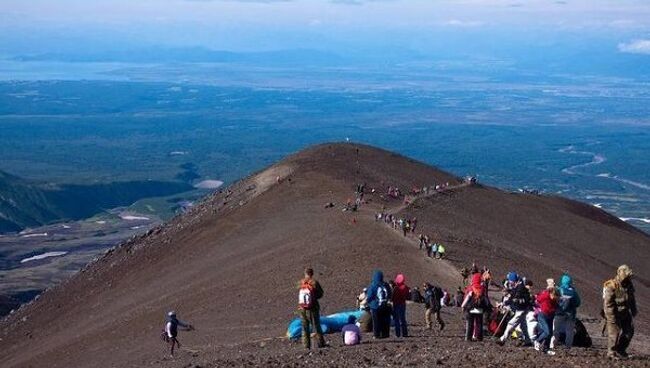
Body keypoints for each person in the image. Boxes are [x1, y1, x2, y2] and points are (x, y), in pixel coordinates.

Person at [603, 265, 637, 359]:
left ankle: (621, 350)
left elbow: (631, 298)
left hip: (625, 312)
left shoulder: (628, 284)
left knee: (629, 331)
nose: (628, 278)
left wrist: (633, 309)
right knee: (614, 333)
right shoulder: (612, 285)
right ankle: (611, 353)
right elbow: (608, 304)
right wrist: (611, 317)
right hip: (614, 313)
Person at [497, 272, 532, 346]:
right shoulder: (517, 287)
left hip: (521, 310)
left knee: (511, 324)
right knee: (523, 326)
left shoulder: (520, 288)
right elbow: (511, 298)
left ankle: (502, 339)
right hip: (522, 309)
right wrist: (503, 303)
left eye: (510, 280)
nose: (509, 281)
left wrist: (517, 300)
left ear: (513, 280)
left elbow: (521, 299)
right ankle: (528, 340)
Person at [550, 273, 580, 350]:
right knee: (569, 331)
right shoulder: (573, 292)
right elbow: (578, 303)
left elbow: (553, 300)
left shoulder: (559, 290)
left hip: (560, 313)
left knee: (556, 329)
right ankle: (568, 346)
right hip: (571, 314)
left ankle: (553, 344)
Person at [298, 267, 326, 349]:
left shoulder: (301, 283)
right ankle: (321, 343)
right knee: (316, 325)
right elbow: (321, 294)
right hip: (313, 307)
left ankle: (306, 345)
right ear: (312, 274)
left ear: (305, 273)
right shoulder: (314, 282)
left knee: (304, 327)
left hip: (302, 308)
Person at [462, 273, 490, 341]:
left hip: (471, 308)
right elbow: (485, 298)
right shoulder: (482, 288)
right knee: (479, 324)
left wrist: (463, 305)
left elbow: (467, 297)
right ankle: (479, 337)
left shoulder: (471, 288)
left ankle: (468, 337)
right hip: (480, 308)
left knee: (470, 324)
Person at [366, 270, 392, 339]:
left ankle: (376, 334)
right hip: (385, 305)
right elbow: (390, 294)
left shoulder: (373, 285)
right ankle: (385, 333)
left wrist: (368, 303)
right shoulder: (385, 285)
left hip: (375, 306)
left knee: (376, 321)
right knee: (385, 321)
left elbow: (370, 296)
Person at [535, 279, 558, 354]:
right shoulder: (545, 295)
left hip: (551, 315)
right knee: (547, 332)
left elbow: (557, 304)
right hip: (543, 315)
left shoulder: (555, 295)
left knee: (550, 333)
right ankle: (537, 341)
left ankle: (546, 348)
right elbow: (538, 299)